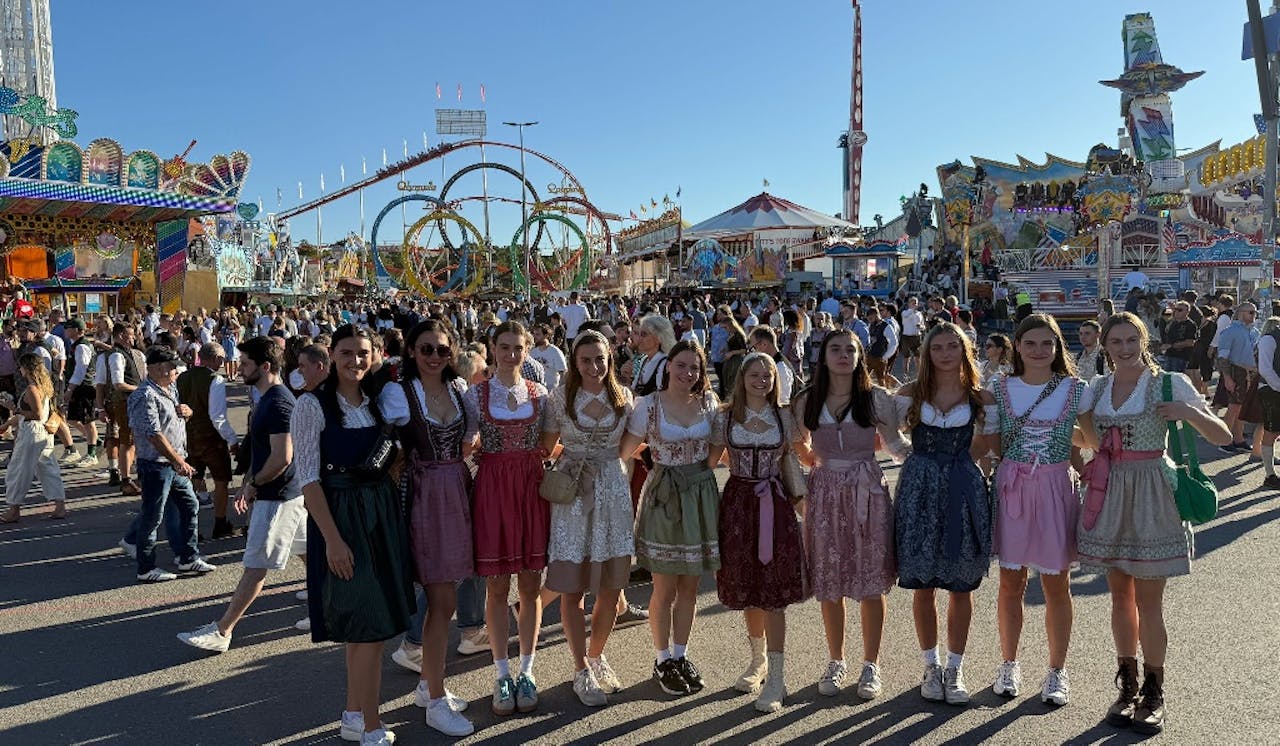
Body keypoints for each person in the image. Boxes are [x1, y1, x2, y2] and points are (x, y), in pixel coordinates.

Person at [1076, 313, 1231, 735]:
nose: (1124, 348)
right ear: (1104, 345)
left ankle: (1154, 690)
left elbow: (1222, 436)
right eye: (1116, 341)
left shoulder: (1169, 383)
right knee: (1119, 599)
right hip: (1109, 495)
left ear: (1144, 340)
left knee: (1149, 602)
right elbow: (1083, 437)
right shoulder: (1098, 387)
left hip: (1152, 495)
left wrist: (1188, 412)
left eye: (1132, 340)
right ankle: (1127, 687)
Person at [294, 324, 414, 745]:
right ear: (332, 355)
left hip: (380, 515)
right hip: (343, 518)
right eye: (347, 353)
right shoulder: (311, 406)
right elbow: (308, 480)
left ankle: (352, 714)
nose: (356, 361)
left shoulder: (378, 402)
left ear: (374, 354)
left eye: (363, 354)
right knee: (369, 628)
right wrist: (332, 540)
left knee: (369, 626)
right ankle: (371, 725)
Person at [792, 330, 906, 702]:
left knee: (871, 576)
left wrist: (930, 460)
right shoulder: (808, 399)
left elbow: (895, 444)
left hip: (867, 489)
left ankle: (871, 662)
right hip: (824, 491)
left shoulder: (876, 398)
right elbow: (796, 439)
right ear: (823, 356)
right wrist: (812, 461)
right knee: (831, 576)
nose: (843, 355)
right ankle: (836, 658)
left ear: (860, 356)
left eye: (850, 349)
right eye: (835, 349)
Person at [176, 337, 305, 653]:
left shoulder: (277, 402)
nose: (239, 369)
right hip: (283, 493)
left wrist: (253, 485)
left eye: (245, 364)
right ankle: (328, 610)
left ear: (265, 366)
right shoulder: (268, 398)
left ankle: (223, 631)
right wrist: (249, 479)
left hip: (277, 496)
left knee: (255, 565)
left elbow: (282, 456)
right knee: (311, 554)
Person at [378, 319, 474, 736]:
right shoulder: (397, 394)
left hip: (458, 491)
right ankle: (434, 701)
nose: (434, 356)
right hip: (423, 499)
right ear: (412, 352)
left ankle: (426, 685)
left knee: (446, 599)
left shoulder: (459, 390)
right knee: (443, 603)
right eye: (426, 349)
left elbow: (473, 436)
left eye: (441, 349)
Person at [987, 314, 1089, 706]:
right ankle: (1009, 663)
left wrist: (1069, 440)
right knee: (1011, 584)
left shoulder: (1075, 389)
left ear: (1058, 347)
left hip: (1054, 486)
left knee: (1055, 585)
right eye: (1030, 343)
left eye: (1047, 343)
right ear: (1018, 346)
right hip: (1013, 486)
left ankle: (1057, 671)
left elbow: (1093, 437)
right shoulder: (1000, 387)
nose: (1039, 350)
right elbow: (990, 440)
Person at [893, 322, 996, 705]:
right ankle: (930, 665)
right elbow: (886, 432)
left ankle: (955, 667)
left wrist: (961, 463)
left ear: (964, 351)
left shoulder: (980, 398)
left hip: (962, 486)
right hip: (919, 488)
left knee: (960, 582)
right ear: (927, 353)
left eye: (953, 346)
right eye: (938, 347)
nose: (946, 353)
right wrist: (911, 458)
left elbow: (989, 443)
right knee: (922, 581)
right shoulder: (909, 394)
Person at [708, 352, 810, 712]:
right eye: (754, 374)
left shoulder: (783, 417)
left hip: (775, 504)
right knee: (749, 587)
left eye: (767, 374)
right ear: (742, 378)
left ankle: (778, 678)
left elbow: (805, 456)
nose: (761, 380)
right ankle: (757, 661)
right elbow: (708, 461)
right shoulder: (725, 417)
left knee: (774, 593)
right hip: (738, 505)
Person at [540, 330, 636, 707]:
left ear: (610, 358)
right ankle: (580, 668)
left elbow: (634, 441)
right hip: (574, 495)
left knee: (611, 587)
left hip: (613, 491)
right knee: (573, 585)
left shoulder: (624, 397)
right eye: (586, 360)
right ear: (574, 363)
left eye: (600, 358)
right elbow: (545, 447)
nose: (594, 366)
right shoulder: (558, 398)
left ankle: (597, 655)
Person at [620, 340, 720, 698]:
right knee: (664, 587)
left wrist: (701, 476)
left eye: (694, 367)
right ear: (668, 366)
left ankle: (681, 655)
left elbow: (717, 447)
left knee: (690, 586)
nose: (688, 373)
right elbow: (625, 451)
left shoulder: (707, 403)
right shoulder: (648, 405)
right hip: (663, 494)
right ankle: (662, 659)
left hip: (698, 494)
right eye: (681, 365)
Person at [462, 320, 551, 717]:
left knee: (530, 588)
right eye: (504, 347)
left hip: (531, 491)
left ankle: (527, 670)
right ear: (492, 349)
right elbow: (464, 445)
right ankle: (501, 673)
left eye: (518, 347)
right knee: (496, 589)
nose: (511, 354)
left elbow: (550, 445)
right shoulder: (474, 396)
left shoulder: (542, 394)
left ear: (527, 350)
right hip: (494, 492)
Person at [127, 346, 214, 582]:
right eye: (171, 366)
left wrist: (187, 412)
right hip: (157, 464)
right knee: (152, 516)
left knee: (190, 505)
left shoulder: (169, 388)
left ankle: (188, 558)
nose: (176, 370)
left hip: (174, 463)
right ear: (156, 368)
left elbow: (175, 418)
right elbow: (153, 434)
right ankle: (146, 568)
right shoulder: (145, 396)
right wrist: (179, 462)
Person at [177, 343, 240, 539]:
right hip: (211, 438)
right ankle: (220, 524)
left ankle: (188, 528)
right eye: (221, 359)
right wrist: (232, 439)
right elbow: (217, 416)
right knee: (221, 481)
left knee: (192, 481)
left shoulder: (183, 377)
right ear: (216, 359)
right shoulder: (216, 380)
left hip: (189, 435)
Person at [0, 353, 67, 523]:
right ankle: (60, 506)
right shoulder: (43, 385)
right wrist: (7, 424)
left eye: (21, 366)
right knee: (48, 468)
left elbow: (35, 414)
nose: (19, 369)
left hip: (32, 433)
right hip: (42, 432)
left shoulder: (32, 388)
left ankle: (14, 509)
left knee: (18, 469)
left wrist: (13, 408)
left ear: (27, 368)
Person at [106, 323, 146, 495]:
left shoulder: (131, 353)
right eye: (131, 335)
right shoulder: (116, 355)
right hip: (125, 403)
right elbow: (118, 383)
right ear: (121, 335)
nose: (134, 337)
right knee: (127, 441)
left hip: (134, 402)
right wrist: (141, 389)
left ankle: (132, 476)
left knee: (134, 441)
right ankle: (126, 480)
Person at [1214, 302, 1259, 452]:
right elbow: (1222, 357)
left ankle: (1239, 439)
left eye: (1255, 313)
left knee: (1242, 408)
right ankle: (1223, 440)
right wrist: (1227, 377)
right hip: (1236, 371)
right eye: (1250, 312)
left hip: (1249, 373)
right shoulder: (1230, 331)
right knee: (1234, 408)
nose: (1254, 316)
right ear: (1241, 313)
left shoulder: (1253, 331)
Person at [62, 318, 99, 466]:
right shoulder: (75, 345)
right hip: (78, 386)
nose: (65, 331)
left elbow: (81, 370)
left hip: (84, 387)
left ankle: (92, 454)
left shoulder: (82, 347)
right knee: (72, 419)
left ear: (77, 330)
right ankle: (96, 441)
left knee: (88, 421)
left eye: (68, 328)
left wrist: (70, 389)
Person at [1256, 316, 1280, 491]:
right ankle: (1270, 474)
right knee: (1271, 431)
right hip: (1272, 391)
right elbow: (1265, 369)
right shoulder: (1269, 338)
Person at [1160, 301, 1198, 374]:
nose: (1177, 311)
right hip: (1169, 355)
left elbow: (1191, 342)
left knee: (1177, 380)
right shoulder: (1173, 322)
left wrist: (1172, 346)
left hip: (1181, 357)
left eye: (1180, 310)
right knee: (1167, 379)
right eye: (1176, 309)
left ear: (1187, 312)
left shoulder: (1190, 325)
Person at [529, 323, 568, 391]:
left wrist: (559, 390)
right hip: (536, 390)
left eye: (538, 334)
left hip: (551, 391)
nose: (534, 337)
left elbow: (563, 373)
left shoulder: (555, 352)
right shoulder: (532, 352)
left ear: (546, 335)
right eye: (534, 334)